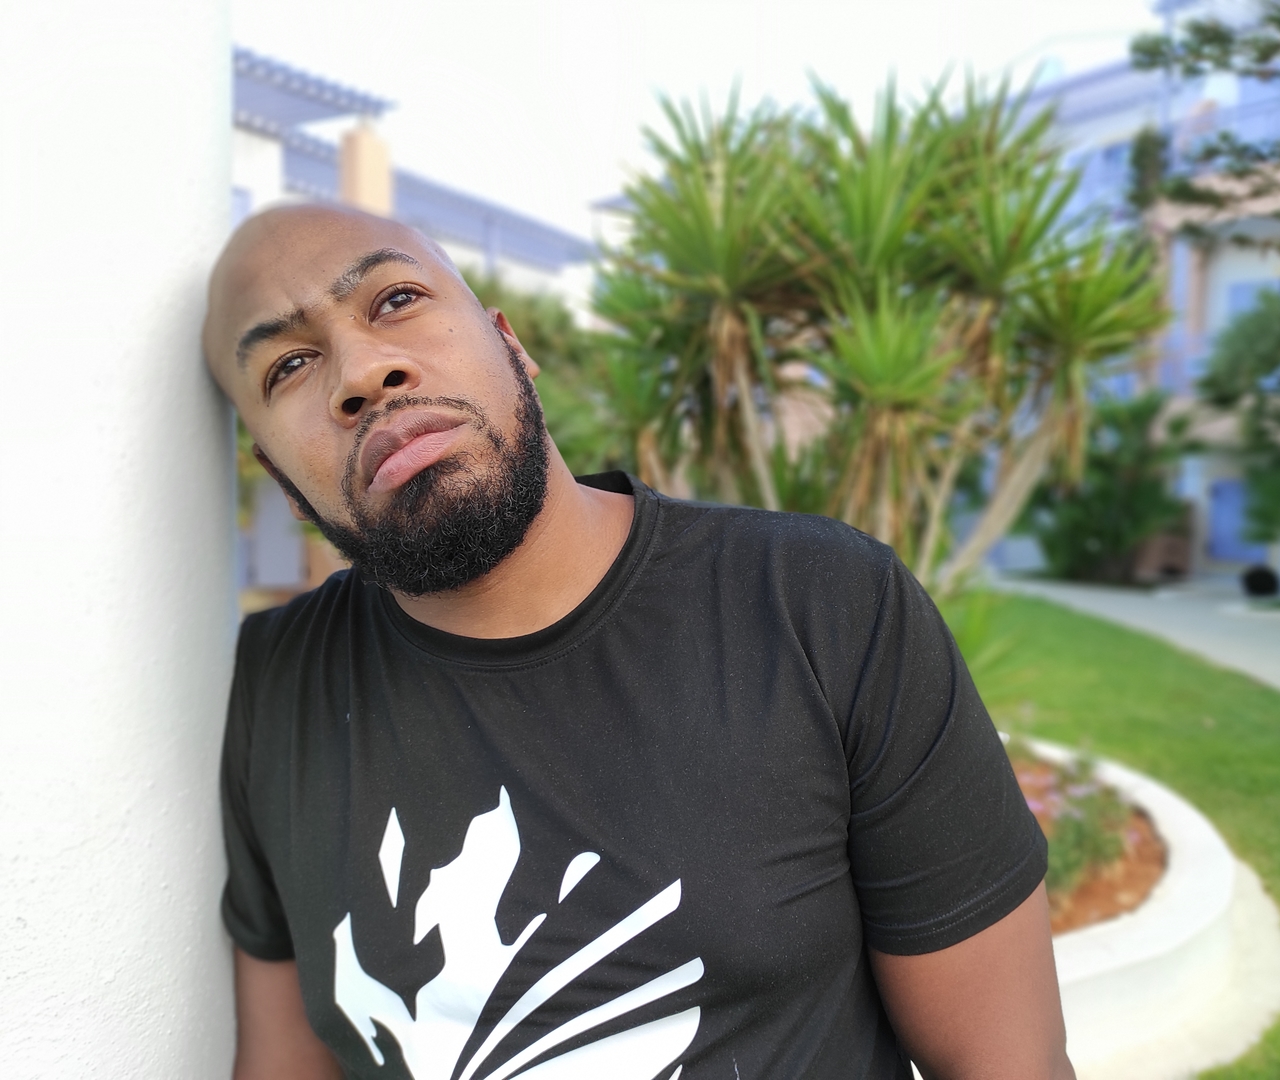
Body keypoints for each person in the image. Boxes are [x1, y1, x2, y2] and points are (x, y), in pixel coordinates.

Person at [203, 203, 1074, 1080]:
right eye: (288, 365)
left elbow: (1007, 1064)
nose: (362, 371)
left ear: (511, 344)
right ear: (283, 482)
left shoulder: (821, 606)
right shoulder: (277, 685)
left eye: (395, 300)